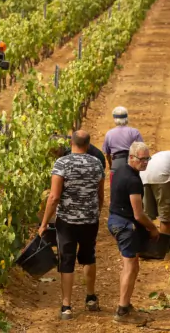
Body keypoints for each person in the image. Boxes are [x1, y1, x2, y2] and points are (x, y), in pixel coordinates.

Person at [38, 130, 105, 320]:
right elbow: (100, 195)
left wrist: (44, 223)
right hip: (90, 219)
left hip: (67, 221)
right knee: (88, 256)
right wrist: (95, 212)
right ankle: (91, 298)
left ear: (72, 143)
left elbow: (54, 197)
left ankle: (66, 305)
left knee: (66, 260)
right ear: (88, 144)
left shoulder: (62, 163)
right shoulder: (97, 163)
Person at [108, 141, 160, 324]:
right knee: (130, 266)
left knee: (131, 264)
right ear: (131, 158)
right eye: (142, 159)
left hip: (116, 220)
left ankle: (126, 304)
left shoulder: (122, 170)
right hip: (124, 226)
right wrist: (152, 228)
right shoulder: (133, 180)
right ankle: (122, 311)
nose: (145, 162)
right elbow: (138, 214)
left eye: (147, 158)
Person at [102, 106, 144, 183]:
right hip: (132, 165)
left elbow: (107, 154)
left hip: (116, 166)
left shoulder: (109, 134)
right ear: (126, 117)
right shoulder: (134, 132)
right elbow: (142, 150)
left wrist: (111, 165)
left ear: (114, 118)